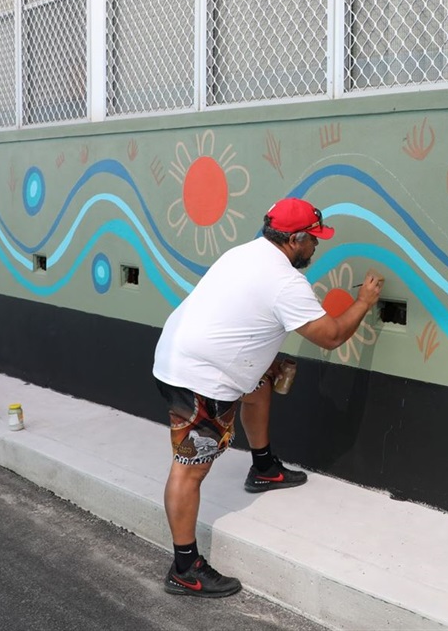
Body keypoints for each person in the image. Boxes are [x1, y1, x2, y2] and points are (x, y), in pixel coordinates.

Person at [152, 197, 384, 598]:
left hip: (182, 355)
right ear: (294, 239)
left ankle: (263, 468)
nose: (317, 246)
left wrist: (264, 358)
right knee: (190, 469)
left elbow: (238, 313)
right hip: (199, 380)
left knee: (260, 385)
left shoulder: (243, 253)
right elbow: (329, 336)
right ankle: (184, 568)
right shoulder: (285, 282)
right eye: (314, 239)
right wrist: (363, 302)